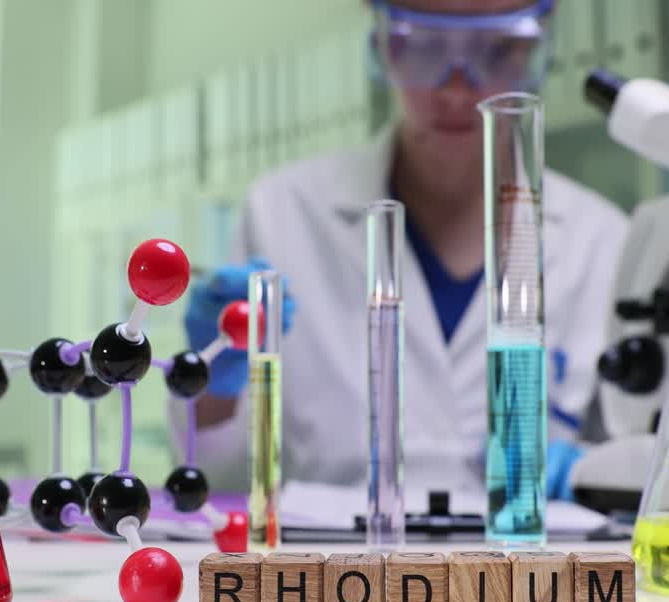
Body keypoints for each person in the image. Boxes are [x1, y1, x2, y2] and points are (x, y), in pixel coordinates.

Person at [178, 0, 627, 500]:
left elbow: (646, 473)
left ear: (537, 55)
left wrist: (603, 473)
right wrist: (212, 385)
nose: (457, 90)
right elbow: (219, 484)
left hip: (528, 572)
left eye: (497, 52)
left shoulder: (605, 240)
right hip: (337, 572)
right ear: (381, 50)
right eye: (423, 48)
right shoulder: (283, 213)